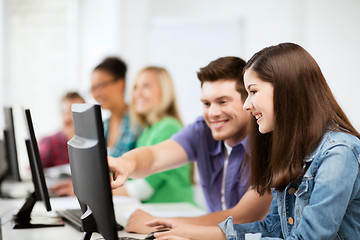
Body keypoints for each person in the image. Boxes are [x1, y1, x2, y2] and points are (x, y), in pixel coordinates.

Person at [145, 43, 360, 240]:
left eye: (253, 92)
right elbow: (272, 228)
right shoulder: (290, 151)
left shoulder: (339, 153)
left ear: (286, 91)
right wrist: (190, 233)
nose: (247, 105)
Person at [108, 57, 273, 234]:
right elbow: (154, 157)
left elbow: (243, 218)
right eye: (206, 104)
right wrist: (126, 163)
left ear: (248, 101)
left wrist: (164, 224)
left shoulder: (269, 144)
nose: (213, 113)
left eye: (223, 102)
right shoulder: (202, 130)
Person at [50, 56, 141, 197]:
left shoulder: (138, 124)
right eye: (92, 89)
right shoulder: (103, 126)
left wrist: (91, 190)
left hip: (126, 200)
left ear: (120, 84)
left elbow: (141, 181)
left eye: (100, 86)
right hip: (106, 200)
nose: (95, 94)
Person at [112, 66, 193, 204]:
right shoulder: (148, 130)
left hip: (177, 213)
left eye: (146, 87)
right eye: (135, 87)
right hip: (157, 213)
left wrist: (98, 192)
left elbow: (143, 188)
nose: (137, 94)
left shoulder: (169, 127)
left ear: (164, 91)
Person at [39, 91, 85, 168]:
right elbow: (32, 171)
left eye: (79, 112)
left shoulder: (92, 142)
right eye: (68, 112)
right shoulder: (48, 142)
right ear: (62, 114)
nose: (73, 117)